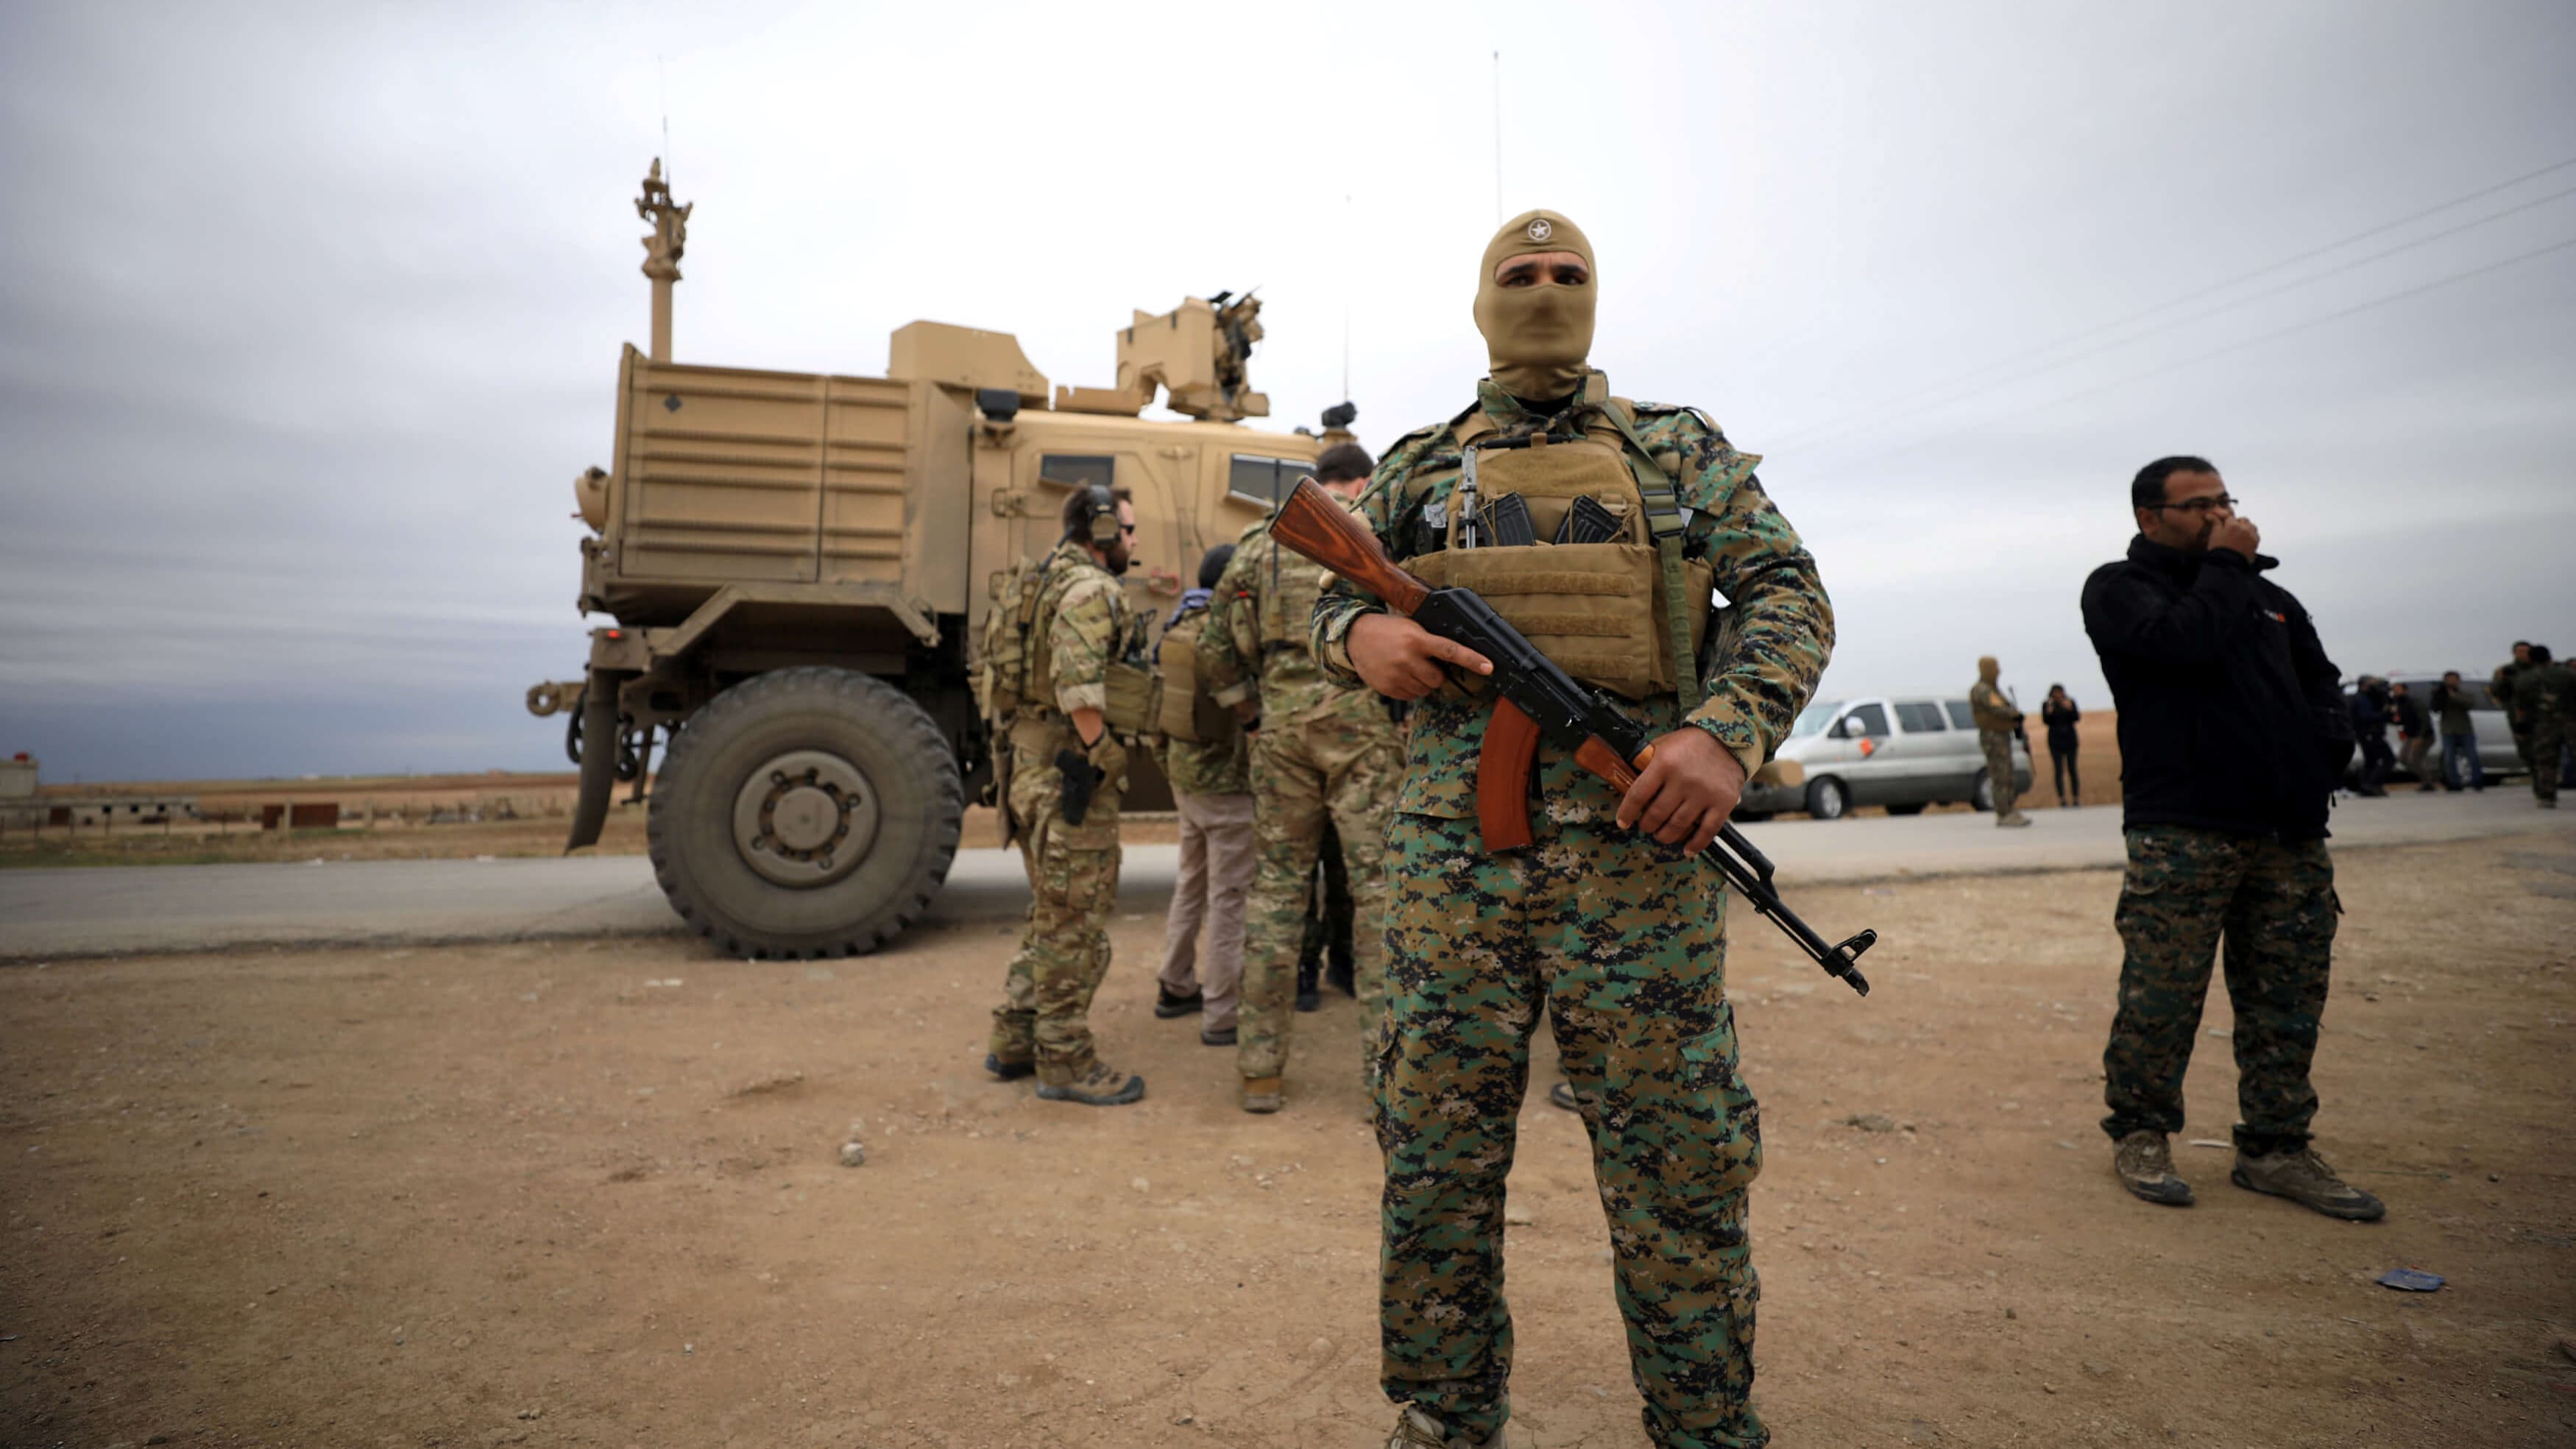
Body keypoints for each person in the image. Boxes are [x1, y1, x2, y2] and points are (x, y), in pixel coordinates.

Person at [1314, 210, 1833, 1449]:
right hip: (1452, 866)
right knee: (1435, 1147)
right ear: (1481, 299)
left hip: (1637, 858)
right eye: (1518, 275)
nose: (1543, 292)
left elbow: (1787, 593)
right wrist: (1359, 635)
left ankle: (1705, 1417)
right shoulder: (1419, 463)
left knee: (1678, 1159)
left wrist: (1724, 730)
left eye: (1568, 275)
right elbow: (1327, 591)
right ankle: (1445, 1408)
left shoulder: (1675, 451)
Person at [2080, 455, 2381, 1222]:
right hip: (2183, 827)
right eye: (2197, 506)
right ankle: (2141, 1132)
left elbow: (2320, 680)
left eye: (2223, 502)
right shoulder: (2120, 589)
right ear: (2150, 518)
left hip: (2286, 829)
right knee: (2163, 992)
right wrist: (2224, 563)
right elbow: (2181, 643)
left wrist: (2324, 747)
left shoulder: (2270, 599)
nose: (2218, 515)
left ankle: (2275, 1147)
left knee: (2285, 994)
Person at [1203, 440, 1403, 1115]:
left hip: (1282, 731)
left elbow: (1215, 653)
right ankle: (1386, 1086)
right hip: (1356, 725)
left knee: (1276, 897)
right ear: (1359, 481)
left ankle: (1260, 1070)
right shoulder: (1367, 535)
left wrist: (1253, 718)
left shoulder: (1256, 547)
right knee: (1379, 898)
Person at [983, 485, 1149, 1107]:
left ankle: (1015, 1037)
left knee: (1050, 912)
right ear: (1103, 531)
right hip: (1066, 773)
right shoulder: (1090, 590)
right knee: (1073, 923)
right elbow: (1079, 688)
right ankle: (1064, 1058)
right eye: (1128, 530)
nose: (1133, 543)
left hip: (1029, 766)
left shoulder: (1044, 580)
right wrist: (1103, 752)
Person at [1153, 544, 1258, 1046]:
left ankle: (1175, 983)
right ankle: (1221, 1013)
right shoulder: (1223, 638)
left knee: (1191, 882)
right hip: (1227, 788)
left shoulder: (1176, 629)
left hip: (1184, 778)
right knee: (1229, 898)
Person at [1292, 819, 1357, 1013]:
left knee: (1345, 879)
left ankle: (1342, 959)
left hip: (1346, 800)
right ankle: (1305, 966)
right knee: (1300, 885)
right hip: (1298, 800)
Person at [1970, 656, 2032, 826]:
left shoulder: (1992, 690)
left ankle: (2009, 809)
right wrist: (2013, 714)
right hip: (1993, 738)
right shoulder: (1983, 690)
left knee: (2006, 773)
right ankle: (2004, 813)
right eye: (1995, 667)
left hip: (2001, 736)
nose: (1998, 671)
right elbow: (1996, 708)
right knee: (2000, 774)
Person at [2510, 644, 2572, 809]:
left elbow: (2520, 707)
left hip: (2543, 724)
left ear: (2531, 659)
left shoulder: (2525, 679)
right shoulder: (2567, 674)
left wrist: (2520, 727)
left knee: (2546, 761)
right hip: (2570, 721)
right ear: (2549, 656)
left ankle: (2547, 796)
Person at [2431, 670, 2485, 791]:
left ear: (2459, 681)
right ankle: (2454, 783)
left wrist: (2453, 696)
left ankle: (2477, 781)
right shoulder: (2442, 696)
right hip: (2448, 731)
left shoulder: (2465, 695)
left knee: (2472, 756)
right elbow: (2435, 708)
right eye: (2448, 680)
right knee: (2449, 759)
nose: (2451, 682)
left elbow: (2469, 704)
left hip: (2464, 729)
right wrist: (2438, 695)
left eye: (2453, 679)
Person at [2347, 676, 2395, 797]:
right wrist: (2384, 714)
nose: (2374, 686)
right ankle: (2372, 784)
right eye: (2371, 683)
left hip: (2368, 734)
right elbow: (2367, 716)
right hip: (2370, 734)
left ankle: (2366, 786)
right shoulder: (2361, 699)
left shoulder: (2368, 697)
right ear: (2364, 685)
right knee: (2389, 759)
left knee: (2371, 762)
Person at [2041, 684, 2082, 807]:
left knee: (2072, 769)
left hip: (2070, 740)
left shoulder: (2069, 702)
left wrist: (2069, 708)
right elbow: (2046, 721)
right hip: (2055, 741)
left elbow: (2076, 717)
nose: (2058, 695)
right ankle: (2062, 798)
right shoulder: (2048, 704)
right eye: (2056, 693)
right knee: (2058, 770)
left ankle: (2076, 797)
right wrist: (2049, 711)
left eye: (2060, 692)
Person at [2494, 642, 2534, 766]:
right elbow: (2497, 693)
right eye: (2520, 651)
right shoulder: (2506, 671)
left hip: (2540, 715)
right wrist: (2502, 680)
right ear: (2514, 653)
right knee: (2525, 749)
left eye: (2526, 651)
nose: (2523, 655)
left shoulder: (2538, 669)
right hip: (2517, 715)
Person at [2390, 681, 2433, 792]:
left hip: (2423, 736)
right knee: (2403, 758)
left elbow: (2425, 720)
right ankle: (2426, 778)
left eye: (2398, 689)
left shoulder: (2414, 702)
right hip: (2410, 735)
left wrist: (2420, 737)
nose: (2395, 692)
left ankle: (2428, 782)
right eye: (2394, 690)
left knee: (2415, 760)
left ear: (2405, 690)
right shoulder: (2398, 703)